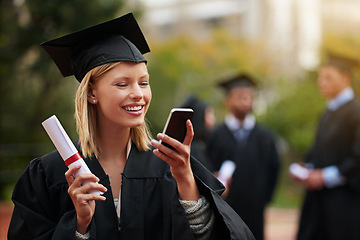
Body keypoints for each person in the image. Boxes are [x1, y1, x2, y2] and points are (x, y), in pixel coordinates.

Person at [7, 13, 255, 240]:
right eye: (122, 84)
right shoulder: (49, 173)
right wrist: (79, 225)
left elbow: (219, 236)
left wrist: (186, 182)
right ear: (91, 93)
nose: (138, 94)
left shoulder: (168, 164)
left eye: (144, 83)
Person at [291, 54, 360, 240]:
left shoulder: (356, 111)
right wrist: (309, 168)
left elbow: (358, 156)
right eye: (320, 77)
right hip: (319, 202)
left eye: (328, 77)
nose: (321, 82)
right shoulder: (328, 111)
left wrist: (324, 176)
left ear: (345, 78)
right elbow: (322, 150)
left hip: (345, 203)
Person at [207, 73, 280, 240]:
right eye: (239, 96)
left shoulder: (266, 137)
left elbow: (274, 169)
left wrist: (263, 198)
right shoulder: (215, 136)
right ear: (227, 101)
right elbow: (206, 168)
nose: (245, 101)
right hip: (223, 209)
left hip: (255, 209)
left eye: (249, 97)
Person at [179, 94, 216, 171]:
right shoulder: (191, 150)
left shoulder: (201, 145)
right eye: (209, 115)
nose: (213, 120)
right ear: (199, 118)